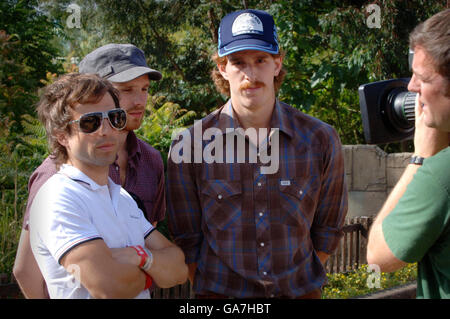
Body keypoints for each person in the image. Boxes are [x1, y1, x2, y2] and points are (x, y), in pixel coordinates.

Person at [166, 9, 348, 299]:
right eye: (238, 62)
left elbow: (328, 228)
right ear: (223, 68)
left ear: (277, 64)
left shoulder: (320, 139)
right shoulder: (189, 146)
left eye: (261, 60)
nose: (250, 74)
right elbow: (187, 239)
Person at [13, 44, 166, 298]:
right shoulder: (55, 173)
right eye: (127, 90)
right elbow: (26, 270)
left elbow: (150, 247)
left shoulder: (152, 160)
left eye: (144, 89)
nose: (140, 101)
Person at [367, 9, 450, 299]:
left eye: (422, 78)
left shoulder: (441, 173)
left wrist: (422, 156)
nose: (411, 87)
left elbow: (378, 257)